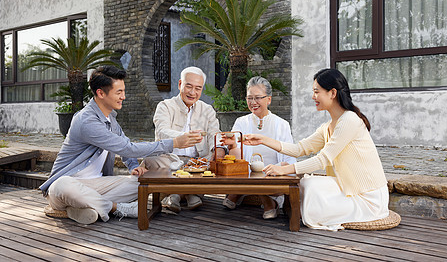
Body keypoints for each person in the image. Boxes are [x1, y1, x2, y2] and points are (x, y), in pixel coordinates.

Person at [40, 65, 199, 225]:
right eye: (119, 92)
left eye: (123, 91)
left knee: (142, 182)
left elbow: (125, 148)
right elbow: (128, 148)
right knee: (63, 185)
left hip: (98, 185)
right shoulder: (87, 121)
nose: (123, 96)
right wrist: (173, 143)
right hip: (66, 187)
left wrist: (132, 167)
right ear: (100, 93)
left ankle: (80, 209)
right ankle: (116, 208)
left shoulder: (111, 118)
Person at [243, 68, 389, 231]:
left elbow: (323, 159)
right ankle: (310, 212)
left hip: (367, 196)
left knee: (310, 187)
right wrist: (263, 140)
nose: (313, 97)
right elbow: (300, 149)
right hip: (347, 187)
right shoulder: (327, 126)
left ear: (332, 93)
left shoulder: (350, 120)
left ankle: (311, 214)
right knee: (306, 184)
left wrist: (284, 170)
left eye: (316, 92)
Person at [143, 66, 226, 213]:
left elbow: (215, 134)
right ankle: (191, 194)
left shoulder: (207, 110)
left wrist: (218, 149)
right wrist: (181, 138)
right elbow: (162, 131)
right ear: (180, 84)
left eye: (198, 88)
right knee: (150, 160)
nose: (192, 92)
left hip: (199, 161)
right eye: (189, 86)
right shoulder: (165, 106)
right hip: (171, 159)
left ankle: (176, 195)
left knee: (215, 161)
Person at [221, 76, 296, 219]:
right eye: (249, 98)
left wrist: (281, 167)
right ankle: (264, 199)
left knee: (272, 171)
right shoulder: (241, 122)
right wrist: (232, 145)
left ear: (268, 99)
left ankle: (254, 196)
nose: (253, 102)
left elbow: (289, 156)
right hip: (248, 172)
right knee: (238, 165)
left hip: (272, 172)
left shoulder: (282, 124)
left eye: (257, 98)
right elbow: (237, 157)